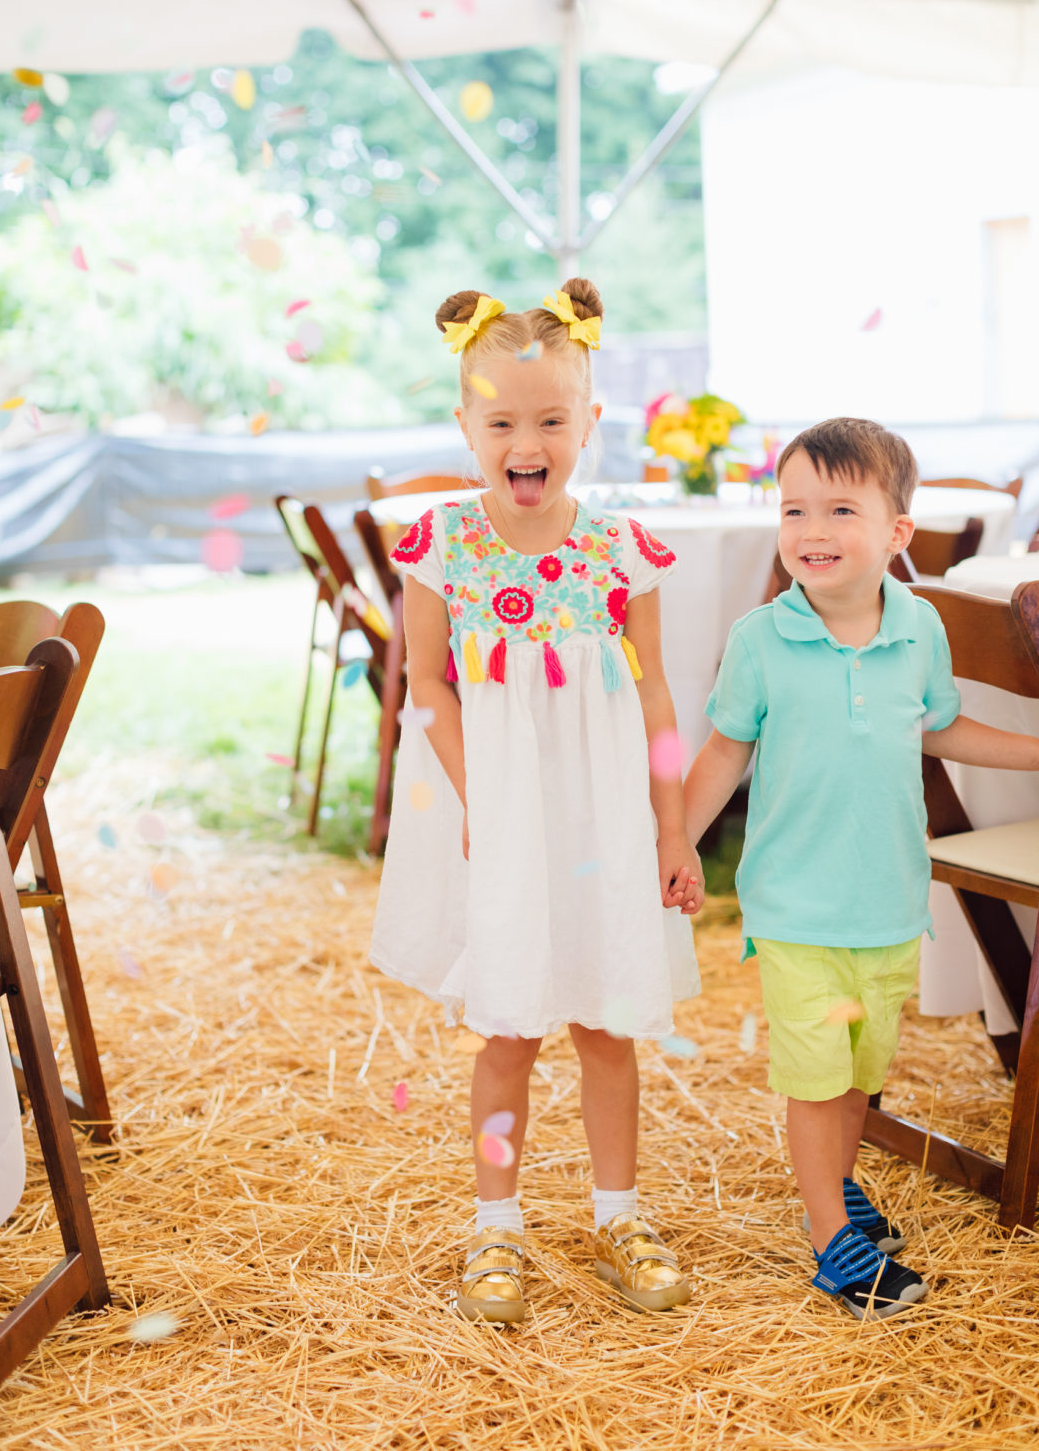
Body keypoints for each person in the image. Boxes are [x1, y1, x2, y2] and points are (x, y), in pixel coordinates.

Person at [678, 417, 1039, 1320]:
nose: (812, 530)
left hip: (891, 902)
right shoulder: (761, 639)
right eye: (795, 509)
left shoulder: (920, 626)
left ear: (897, 531)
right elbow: (722, 752)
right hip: (797, 910)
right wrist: (678, 843)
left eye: (841, 509)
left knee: (859, 1076)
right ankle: (832, 1246)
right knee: (817, 1086)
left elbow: (936, 725)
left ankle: (841, 1186)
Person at [370, 279, 704, 1323]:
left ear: (589, 424)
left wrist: (668, 825)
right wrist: (480, 795)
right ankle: (495, 1228)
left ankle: (618, 1213)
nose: (527, 440)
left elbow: (651, 689)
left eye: (551, 419)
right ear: (464, 425)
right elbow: (425, 685)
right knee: (508, 1028)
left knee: (606, 1022)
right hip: (499, 816)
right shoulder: (444, 546)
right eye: (502, 419)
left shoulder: (619, 551)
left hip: (602, 817)